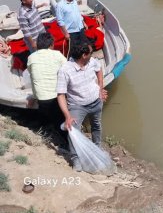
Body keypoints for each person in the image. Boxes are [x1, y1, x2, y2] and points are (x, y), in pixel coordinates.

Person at [56, 42, 107, 171]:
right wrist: (67, 116)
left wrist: (101, 88)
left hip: (96, 101)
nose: (93, 54)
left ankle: (97, 148)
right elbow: (61, 95)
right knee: (73, 131)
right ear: (84, 55)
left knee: (96, 125)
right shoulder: (65, 70)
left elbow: (99, 70)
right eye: (90, 52)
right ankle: (75, 159)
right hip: (77, 106)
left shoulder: (92, 61)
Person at [27, 33, 67, 144]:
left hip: (41, 99)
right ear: (51, 45)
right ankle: (66, 140)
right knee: (60, 121)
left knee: (47, 113)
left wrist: (34, 97)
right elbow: (68, 71)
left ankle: (46, 124)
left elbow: (33, 77)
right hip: (56, 98)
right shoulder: (57, 55)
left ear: (38, 45)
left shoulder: (31, 57)